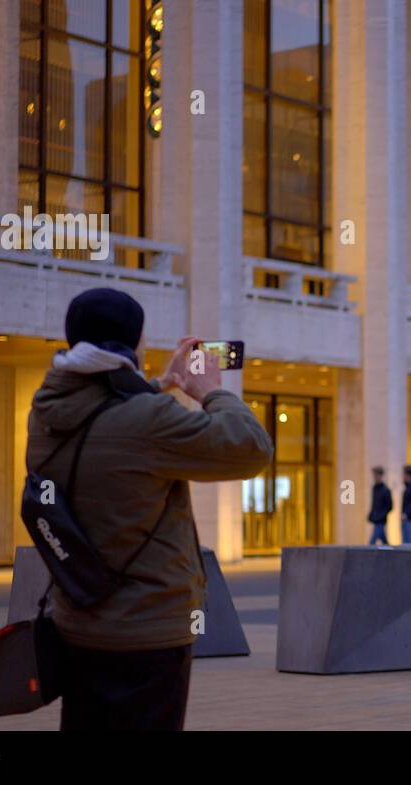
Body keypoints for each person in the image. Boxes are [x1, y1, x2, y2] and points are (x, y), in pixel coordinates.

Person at [27, 287, 272, 731]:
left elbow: (106, 419)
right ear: (132, 345)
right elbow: (251, 448)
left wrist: (162, 384)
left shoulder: (46, 409)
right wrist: (211, 391)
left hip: (76, 622)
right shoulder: (148, 420)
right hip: (146, 632)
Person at [367, 466, 393, 546]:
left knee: (372, 541)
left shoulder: (385, 490)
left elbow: (389, 506)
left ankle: (368, 555)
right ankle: (390, 552)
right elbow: (374, 504)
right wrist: (371, 514)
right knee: (383, 539)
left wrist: (381, 515)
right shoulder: (375, 488)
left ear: (380, 476)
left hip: (381, 520)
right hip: (376, 519)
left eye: (376, 475)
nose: (374, 477)